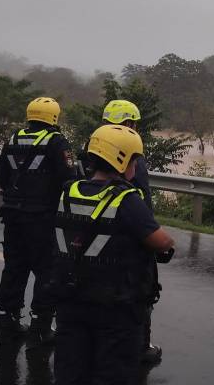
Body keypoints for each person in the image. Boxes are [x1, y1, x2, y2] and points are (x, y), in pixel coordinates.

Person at [52, 124, 175, 385]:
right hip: (115, 307)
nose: (136, 166)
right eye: (135, 159)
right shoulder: (126, 199)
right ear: (122, 160)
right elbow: (161, 241)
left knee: (70, 370)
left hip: (69, 299)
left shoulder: (68, 191)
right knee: (113, 373)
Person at [78, 99, 162, 363]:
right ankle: (140, 346)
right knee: (139, 287)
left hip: (86, 231)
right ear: (128, 123)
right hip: (125, 236)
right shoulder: (129, 156)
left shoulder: (90, 150)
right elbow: (142, 203)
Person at [0, 96, 76, 344]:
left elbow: (2, 177)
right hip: (42, 218)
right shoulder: (56, 141)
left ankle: (8, 320)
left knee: (14, 268)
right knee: (46, 271)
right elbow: (68, 178)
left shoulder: (13, 138)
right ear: (54, 116)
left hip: (13, 215)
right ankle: (41, 326)